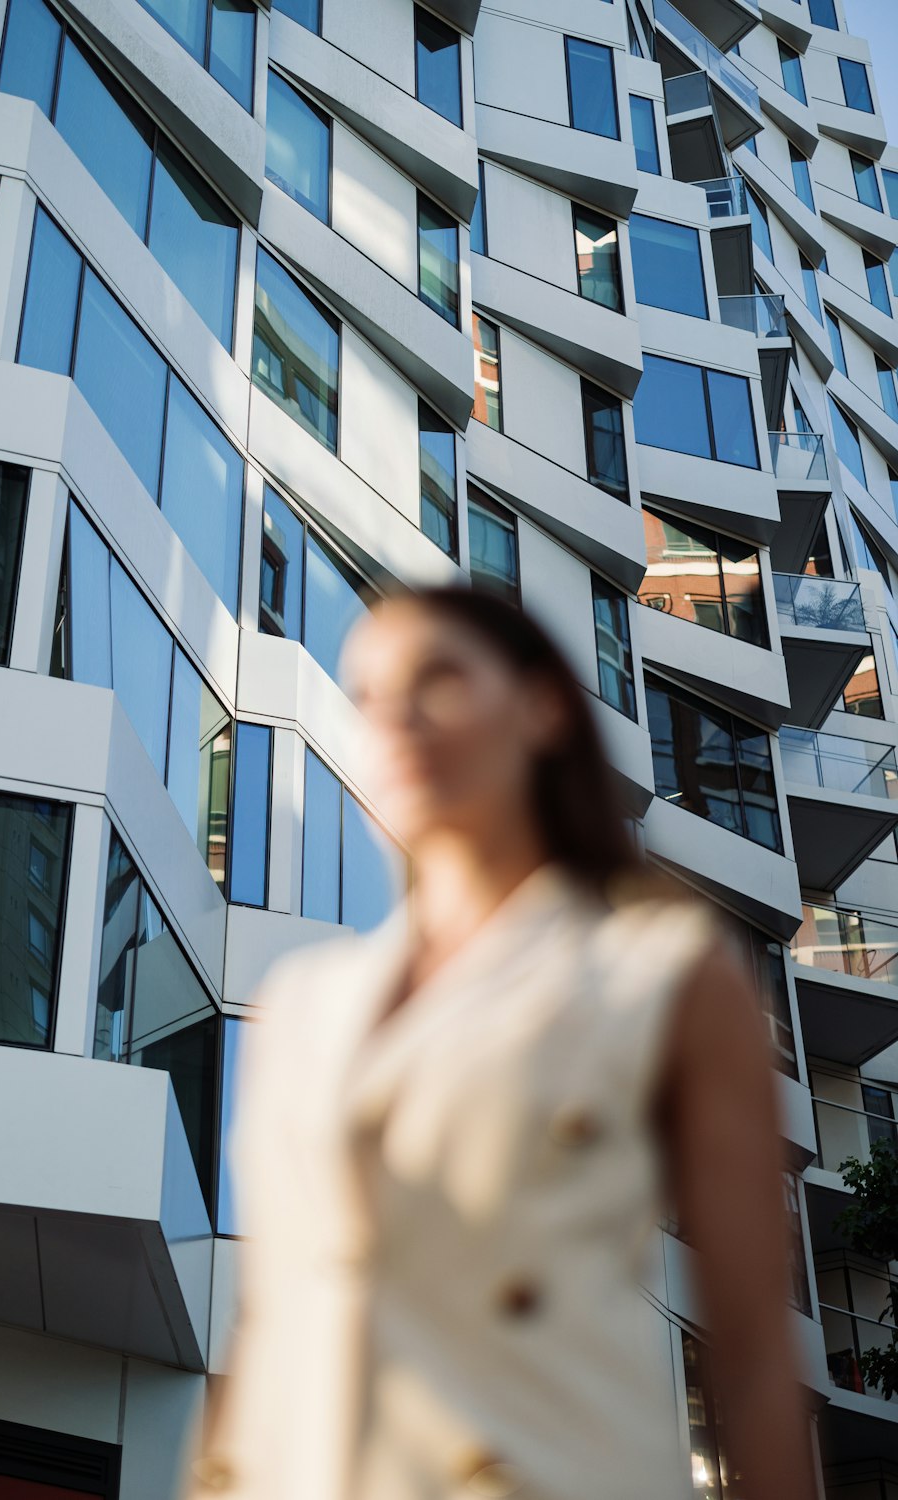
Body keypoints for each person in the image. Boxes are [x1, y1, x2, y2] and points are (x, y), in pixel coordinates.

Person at [183, 584, 818, 1500]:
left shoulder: (663, 973)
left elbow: (756, 1356)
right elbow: (267, 1330)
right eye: (367, 698)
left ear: (542, 707)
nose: (395, 719)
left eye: (435, 679)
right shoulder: (302, 1007)